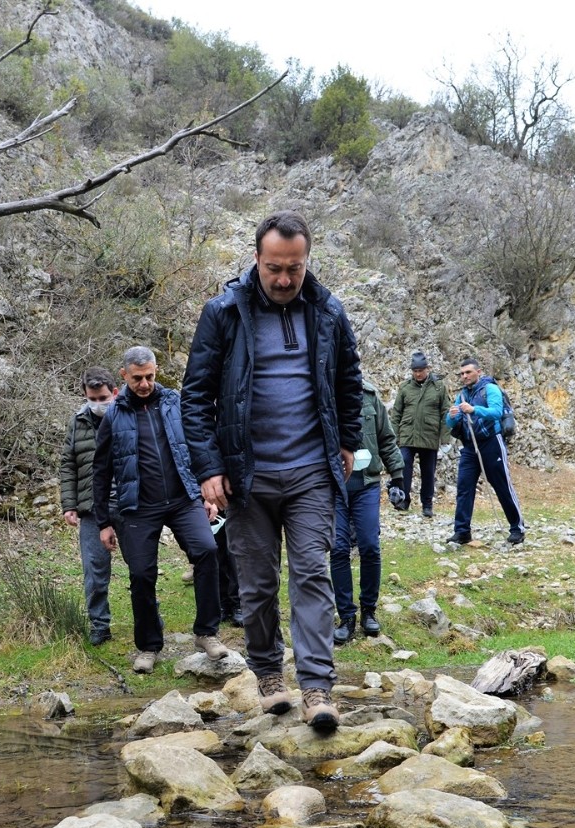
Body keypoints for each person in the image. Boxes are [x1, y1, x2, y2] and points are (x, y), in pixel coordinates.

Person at [181, 210, 363, 731]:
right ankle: (267, 676)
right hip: (246, 475)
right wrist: (209, 468)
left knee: (312, 574)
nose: (284, 279)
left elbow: (349, 379)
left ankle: (317, 688)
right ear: (256, 260)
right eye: (274, 268)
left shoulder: (328, 311)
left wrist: (348, 440)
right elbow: (195, 398)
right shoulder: (223, 312)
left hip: (310, 470)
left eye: (294, 268)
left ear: (307, 261)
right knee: (257, 586)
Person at [92, 346, 229, 674]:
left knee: (208, 550)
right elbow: (101, 471)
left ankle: (207, 633)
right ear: (124, 376)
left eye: (150, 376)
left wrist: (206, 494)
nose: (144, 383)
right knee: (141, 575)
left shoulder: (174, 402)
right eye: (137, 378)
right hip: (137, 507)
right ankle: (149, 646)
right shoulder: (113, 415)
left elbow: (197, 447)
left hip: (184, 499)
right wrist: (103, 522)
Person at [330, 380, 404, 644]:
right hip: (333, 486)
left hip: (368, 484)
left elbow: (386, 439)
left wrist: (397, 476)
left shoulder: (371, 397)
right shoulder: (323, 393)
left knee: (370, 546)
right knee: (338, 548)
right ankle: (346, 617)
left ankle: (368, 612)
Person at [60, 366, 120, 646]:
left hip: (128, 504)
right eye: (92, 399)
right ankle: (99, 625)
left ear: (114, 392)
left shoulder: (129, 415)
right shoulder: (77, 421)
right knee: (94, 572)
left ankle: (150, 620)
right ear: (85, 395)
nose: (98, 404)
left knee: (143, 569)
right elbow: (68, 463)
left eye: (103, 398)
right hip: (91, 508)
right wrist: (69, 504)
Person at [446, 357, 525, 545]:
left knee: (502, 485)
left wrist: (474, 409)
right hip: (469, 446)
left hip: (491, 442)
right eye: (462, 373)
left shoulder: (491, 389)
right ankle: (462, 531)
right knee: (464, 488)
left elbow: (496, 413)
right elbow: (451, 423)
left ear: (478, 372)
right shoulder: (462, 395)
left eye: (468, 372)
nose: (464, 376)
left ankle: (517, 528)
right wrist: (450, 416)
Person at [390, 350, 451, 518]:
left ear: (427, 369)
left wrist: (445, 438)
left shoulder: (439, 387)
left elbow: (445, 413)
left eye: (420, 370)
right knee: (404, 467)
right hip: (407, 436)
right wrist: (393, 437)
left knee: (428, 472)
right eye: (415, 371)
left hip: (429, 437)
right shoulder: (405, 387)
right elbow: (396, 414)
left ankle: (427, 504)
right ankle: (404, 500)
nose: (418, 374)